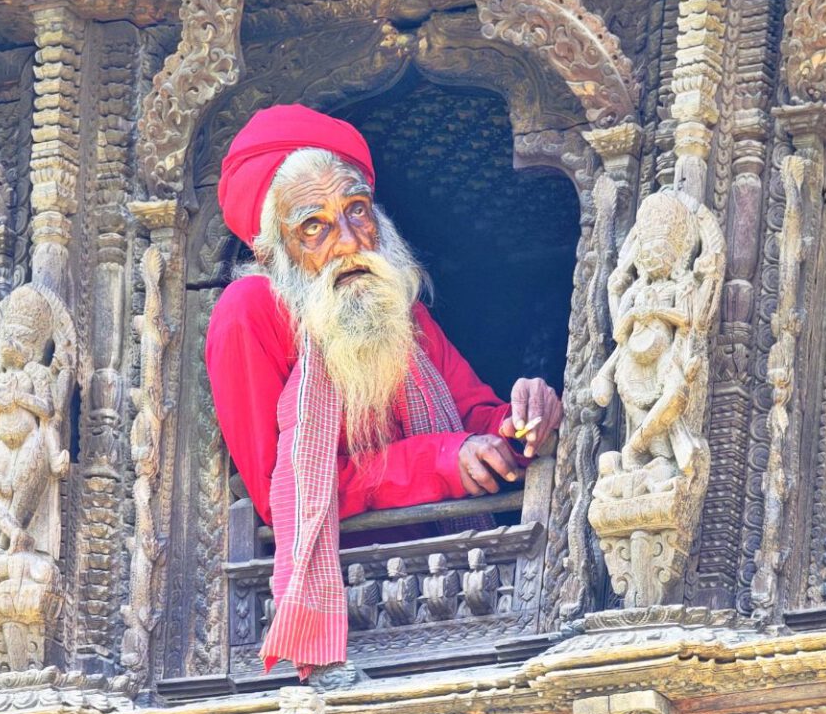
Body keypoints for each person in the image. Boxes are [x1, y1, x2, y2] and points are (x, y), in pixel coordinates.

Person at [205, 103, 562, 680]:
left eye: (357, 211)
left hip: (462, 586)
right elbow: (278, 496)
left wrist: (525, 417)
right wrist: (440, 463)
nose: (349, 242)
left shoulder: (399, 309)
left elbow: (476, 418)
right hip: (347, 606)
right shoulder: (248, 313)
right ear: (273, 251)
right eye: (315, 226)